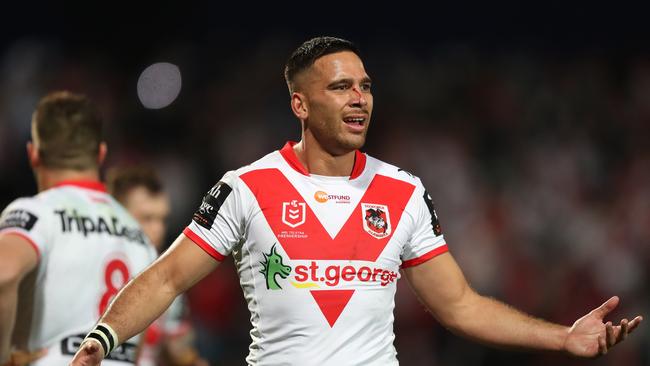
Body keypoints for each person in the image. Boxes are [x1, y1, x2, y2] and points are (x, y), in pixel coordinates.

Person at [71, 37, 643, 366]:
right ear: (299, 104)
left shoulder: (403, 191)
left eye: (366, 86)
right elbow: (167, 279)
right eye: (340, 87)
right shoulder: (248, 187)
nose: (359, 98)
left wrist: (561, 335)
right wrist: (101, 339)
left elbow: (460, 306)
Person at [0, 91, 157, 366]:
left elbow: (4, 272)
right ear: (101, 153)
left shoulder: (35, 214)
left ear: (33, 155)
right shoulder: (140, 236)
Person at [106, 166, 207, 366]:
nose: (158, 229)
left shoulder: (167, 277)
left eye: (163, 219)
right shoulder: (89, 266)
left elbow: (178, 348)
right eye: (147, 218)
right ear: (114, 214)